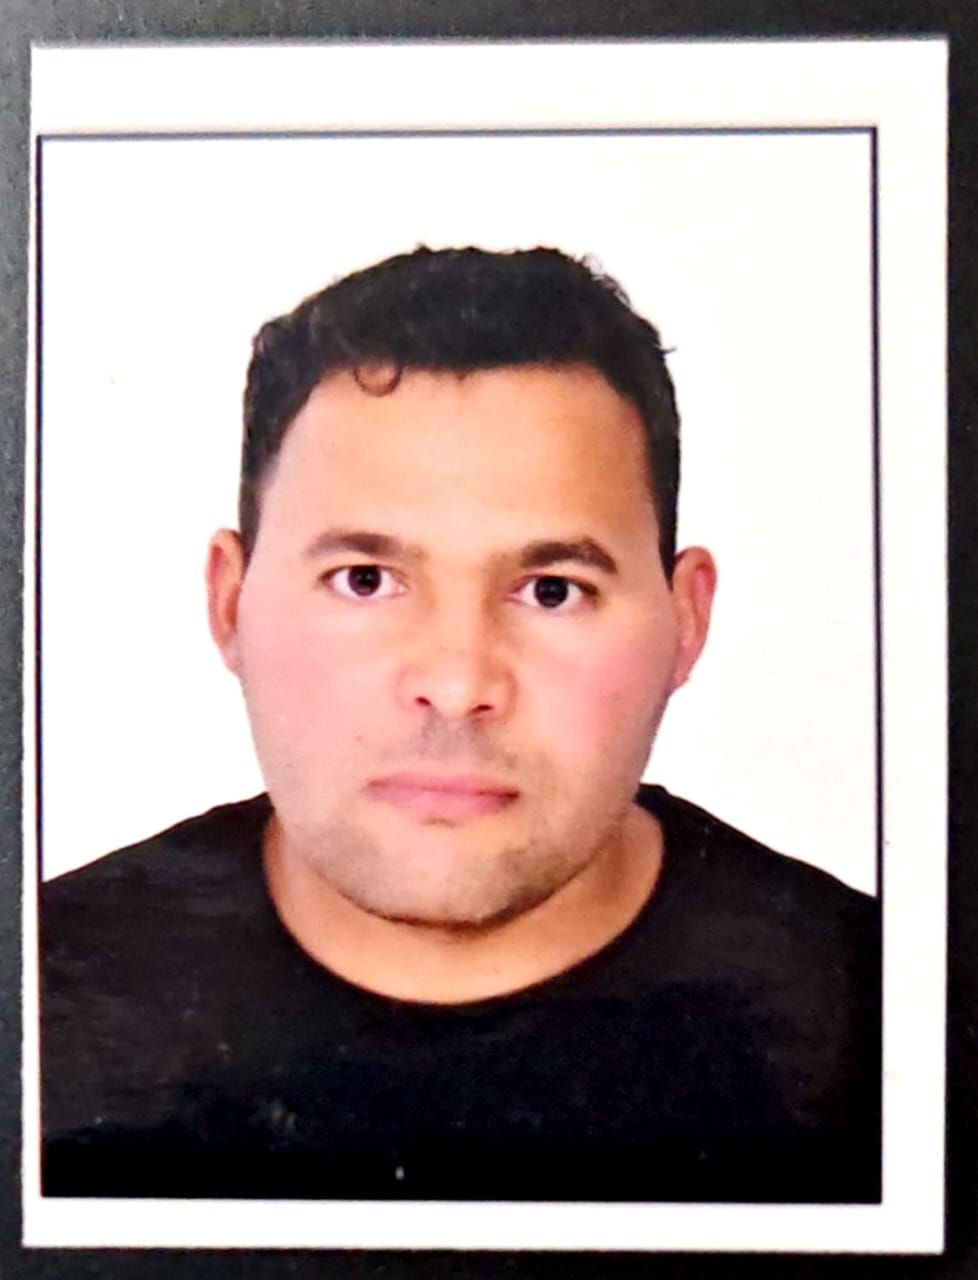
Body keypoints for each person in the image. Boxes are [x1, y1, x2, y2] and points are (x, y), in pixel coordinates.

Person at [40, 246, 880, 1202]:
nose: (455, 682)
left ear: (685, 623)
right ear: (230, 604)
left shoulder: (900, 1036)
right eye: (365, 580)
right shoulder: (36, 1005)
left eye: (552, 590)